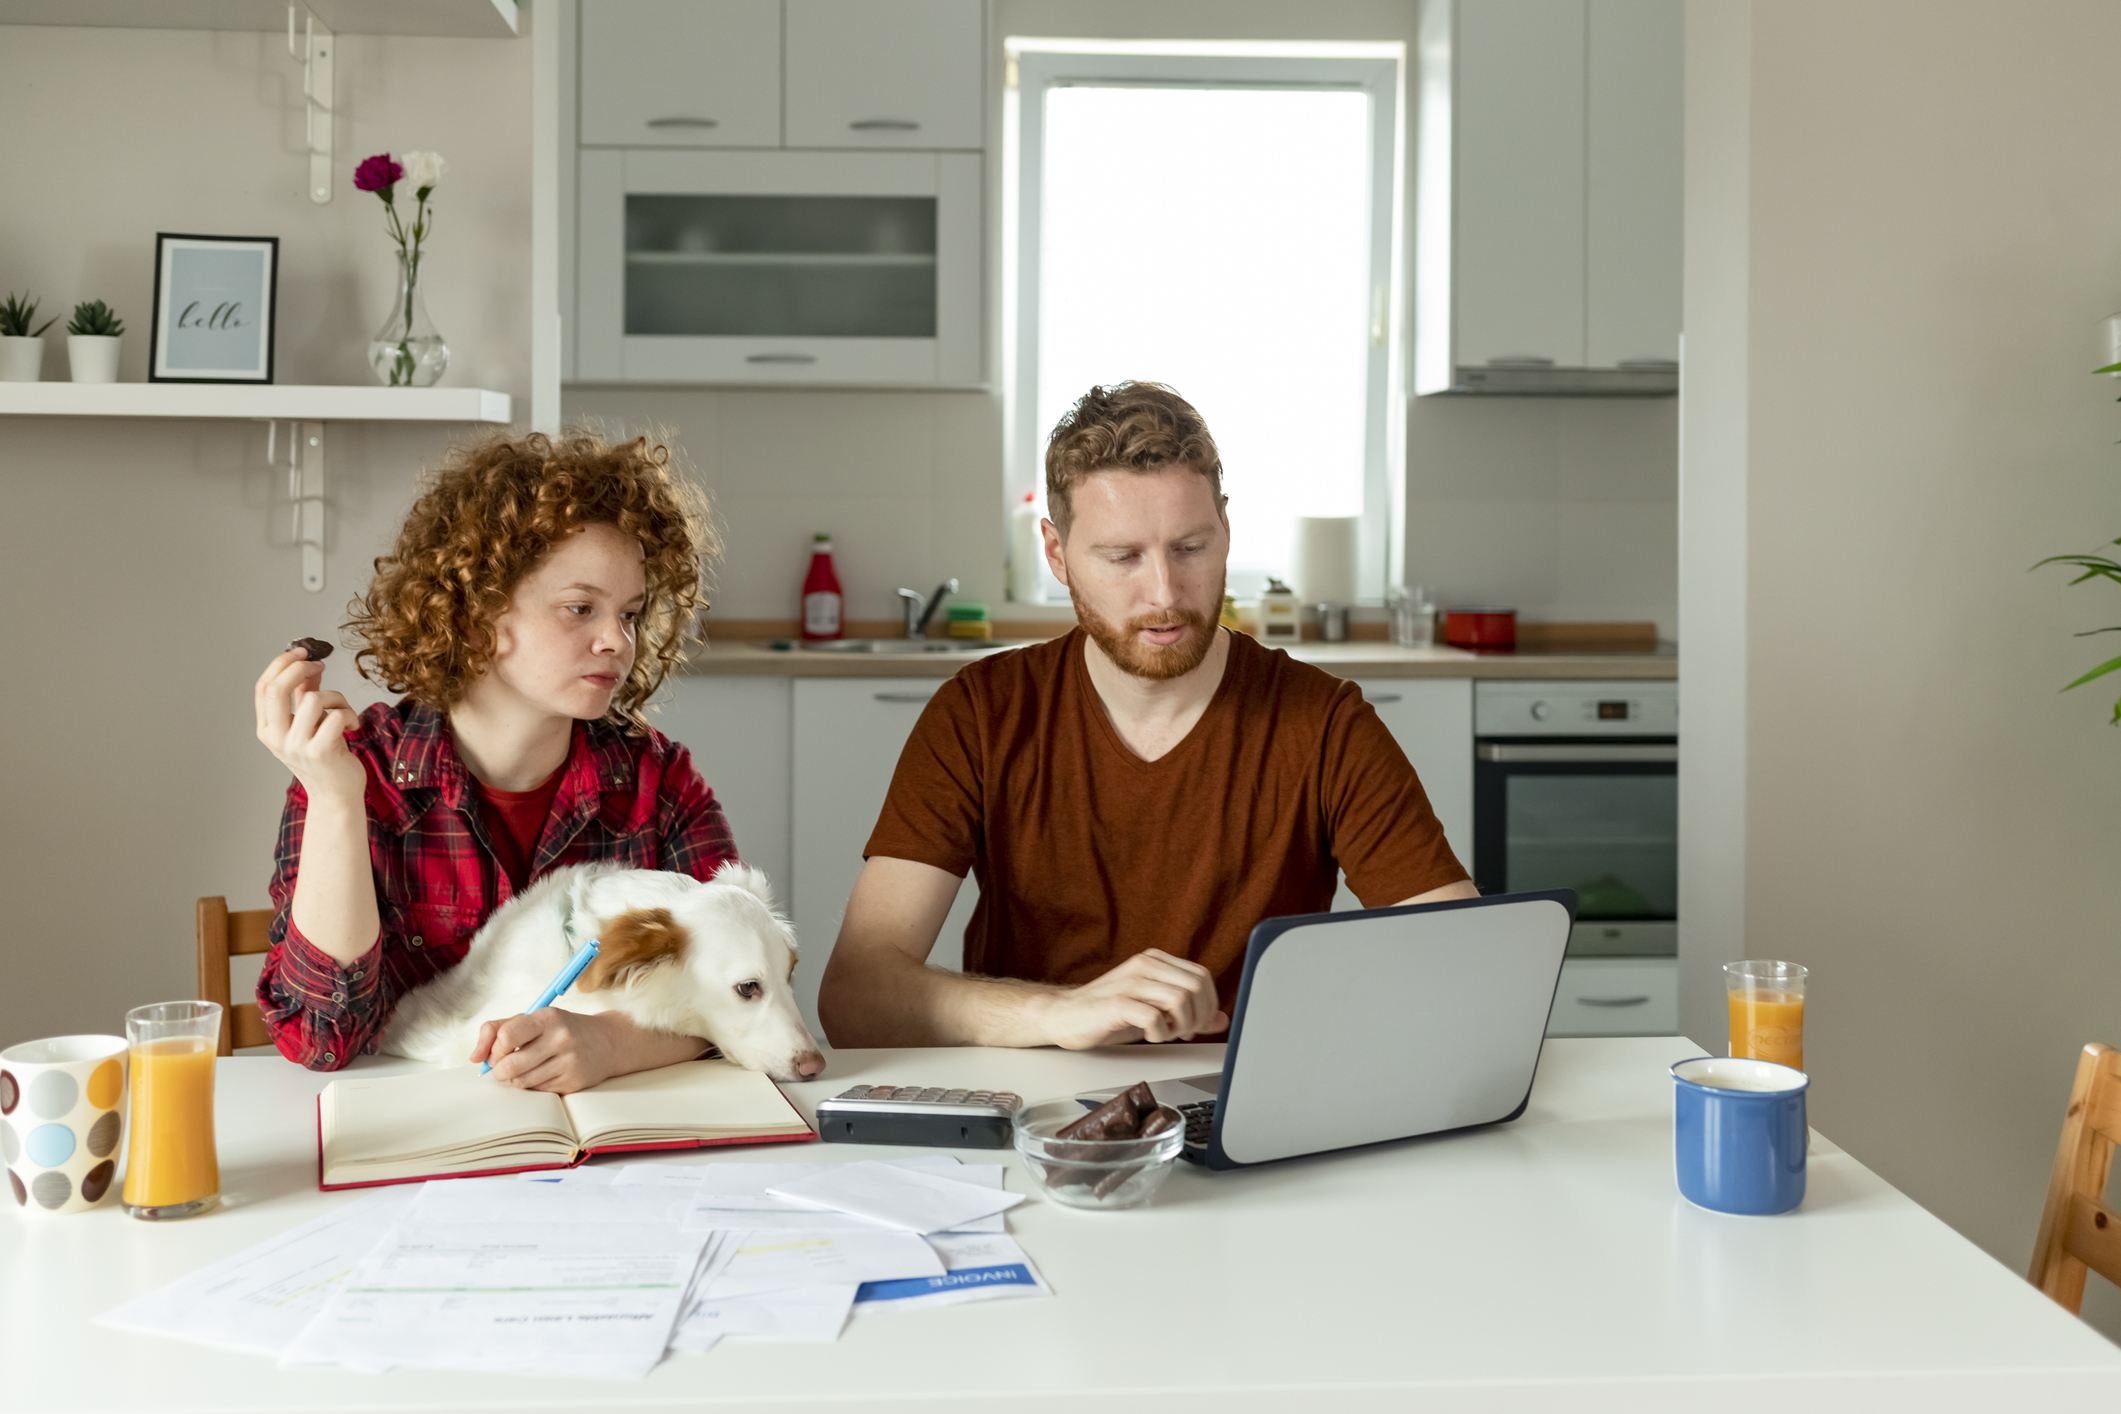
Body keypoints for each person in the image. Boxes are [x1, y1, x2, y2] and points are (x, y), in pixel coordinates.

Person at [817, 382, 1479, 1050]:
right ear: (1056, 554)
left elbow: (1463, 968)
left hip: (1246, 1101)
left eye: (1189, 548)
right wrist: (1058, 1015)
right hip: (1028, 1105)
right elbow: (855, 995)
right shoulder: (981, 713)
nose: (1164, 593)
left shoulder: (1325, 724)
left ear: (1225, 530)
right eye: (1122, 557)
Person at [250, 428, 800, 1093]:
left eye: (629, 614)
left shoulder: (662, 783)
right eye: (580, 609)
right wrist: (336, 800)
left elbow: (742, 982)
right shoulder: (356, 771)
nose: (615, 641)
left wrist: (611, 1043)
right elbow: (320, 1039)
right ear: (477, 615)